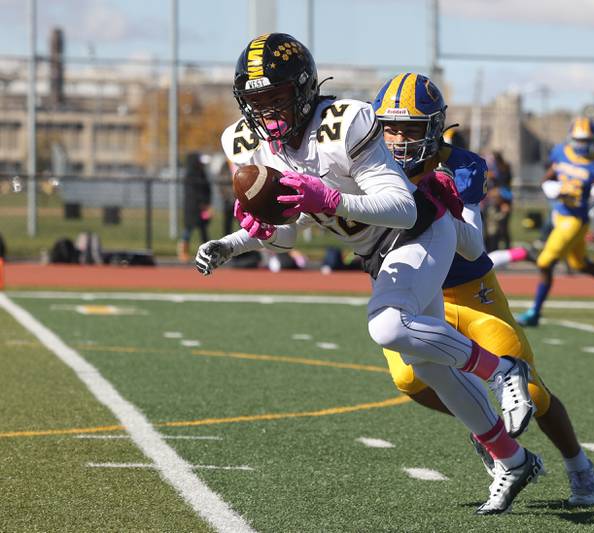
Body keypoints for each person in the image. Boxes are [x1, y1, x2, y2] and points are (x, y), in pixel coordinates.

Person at [194, 34, 541, 515]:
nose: (268, 112)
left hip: (421, 230)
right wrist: (238, 239)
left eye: (276, 98)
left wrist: (331, 199)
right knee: (430, 369)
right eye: (256, 101)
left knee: (388, 324)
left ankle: (504, 369)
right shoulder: (243, 142)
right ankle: (513, 459)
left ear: (303, 90)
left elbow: (400, 207)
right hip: (376, 254)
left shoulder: (345, 122)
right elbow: (287, 237)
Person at [374, 73, 594, 506]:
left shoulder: (460, 166)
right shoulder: (368, 165)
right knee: (410, 380)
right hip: (414, 294)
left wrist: (431, 207)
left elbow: (474, 243)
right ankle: (487, 430)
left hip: (469, 290)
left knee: (532, 391)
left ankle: (579, 466)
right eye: (391, 127)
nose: (399, 140)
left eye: (411, 128)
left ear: (434, 128)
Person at [516, 117, 594, 327]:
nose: (582, 145)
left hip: (574, 221)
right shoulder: (561, 151)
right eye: (579, 141)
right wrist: (550, 187)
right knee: (579, 264)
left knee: (545, 263)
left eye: (586, 140)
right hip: (560, 215)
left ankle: (535, 312)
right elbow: (549, 177)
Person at [178, 152, 213, 262]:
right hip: (192, 209)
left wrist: (207, 204)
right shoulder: (190, 175)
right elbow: (193, 193)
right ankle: (183, 252)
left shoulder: (202, 174)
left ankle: (208, 253)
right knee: (188, 230)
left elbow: (207, 190)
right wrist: (202, 203)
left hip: (203, 208)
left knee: (203, 231)